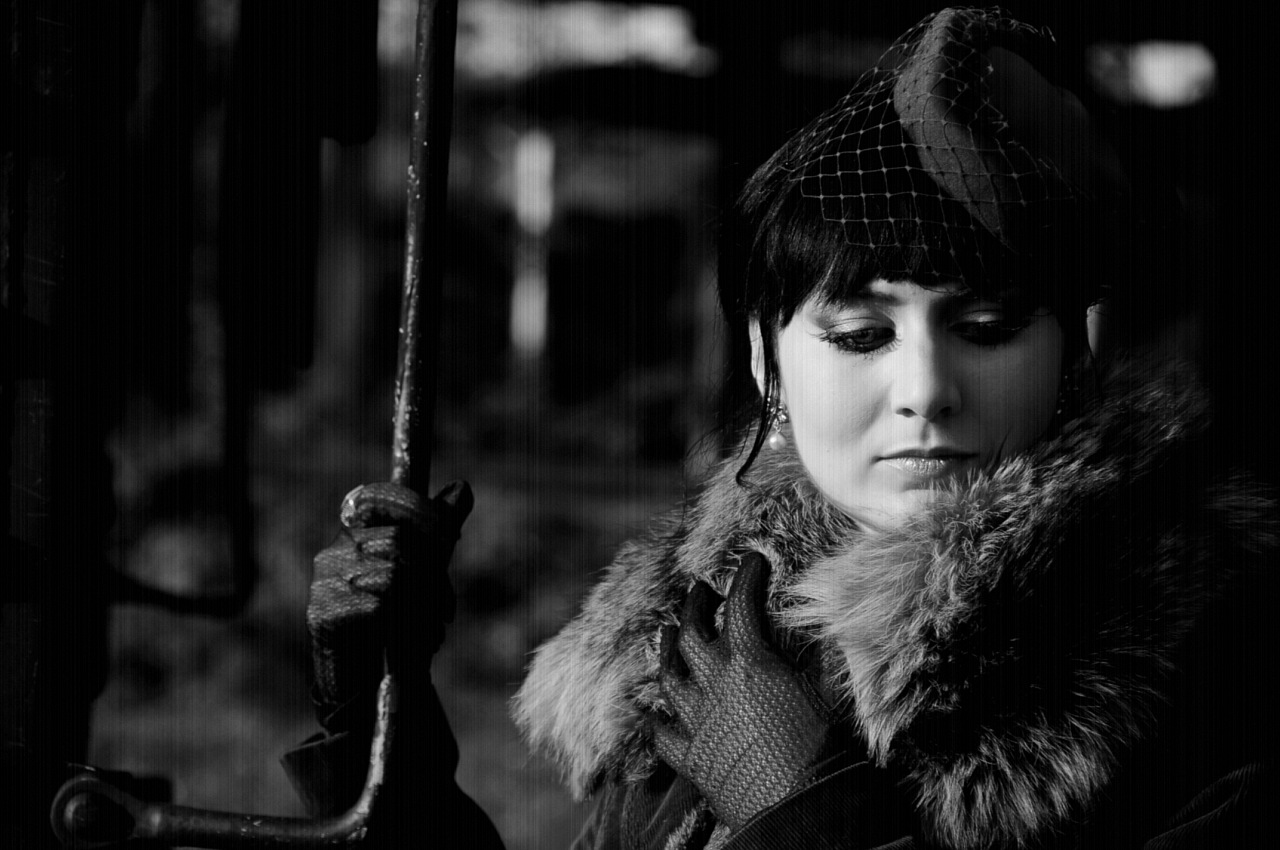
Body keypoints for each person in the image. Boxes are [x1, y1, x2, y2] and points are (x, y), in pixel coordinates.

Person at [296, 7, 1277, 849]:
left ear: (1070, 357)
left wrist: (806, 815)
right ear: (770, 365)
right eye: (859, 335)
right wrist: (382, 731)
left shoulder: (1205, 664)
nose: (924, 390)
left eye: (985, 328)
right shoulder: (707, 642)